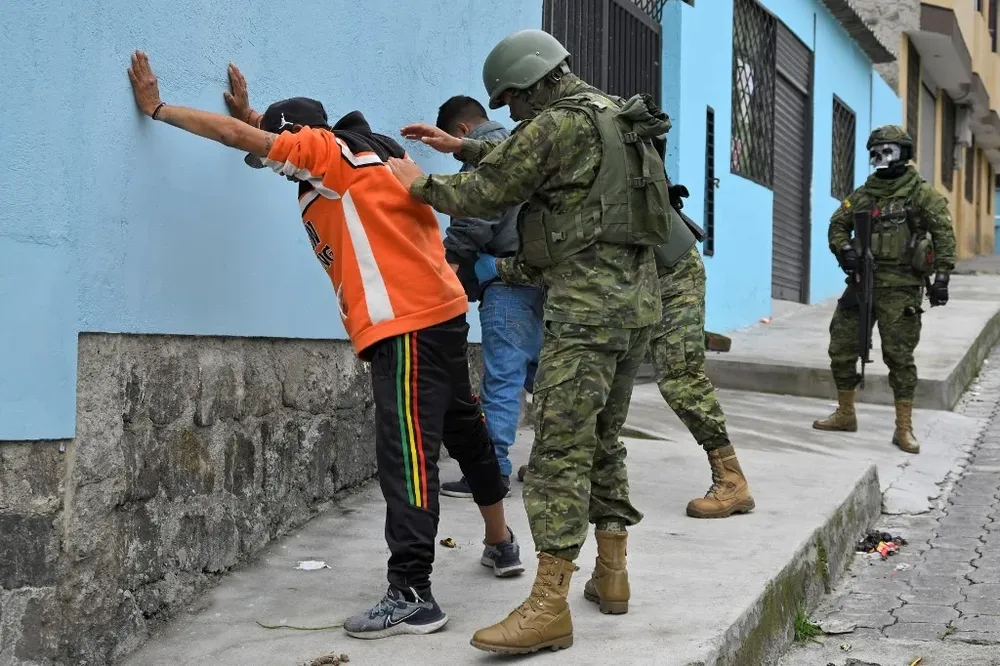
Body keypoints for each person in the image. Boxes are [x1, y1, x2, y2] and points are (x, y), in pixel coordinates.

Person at [126, 51, 523, 641]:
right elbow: (273, 145)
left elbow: (251, 141)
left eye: (272, 147)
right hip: (441, 312)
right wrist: (257, 116)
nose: (267, 159)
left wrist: (158, 108)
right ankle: (500, 543)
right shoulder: (372, 150)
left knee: (409, 457)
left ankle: (413, 594)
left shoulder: (322, 155)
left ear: (297, 139)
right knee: (465, 431)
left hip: (404, 323)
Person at [386, 29, 672, 654]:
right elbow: (531, 161)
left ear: (537, 80)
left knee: (558, 457)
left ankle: (548, 606)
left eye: (514, 98)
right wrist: (462, 145)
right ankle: (612, 573)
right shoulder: (613, 116)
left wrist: (418, 181)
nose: (513, 110)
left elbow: (487, 193)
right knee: (603, 441)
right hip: (637, 307)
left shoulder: (555, 123)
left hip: (585, 311)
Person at [812, 125, 956, 454]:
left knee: (899, 357)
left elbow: (944, 235)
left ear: (903, 154)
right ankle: (846, 413)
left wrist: (943, 278)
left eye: (887, 151)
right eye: (875, 153)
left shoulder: (922, 194)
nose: (880, 158)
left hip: (902, 288)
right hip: (862, 284)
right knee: (842, 348)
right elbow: (837, 223)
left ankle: (903, 428)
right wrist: (844, 250)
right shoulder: (865, 194)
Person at [433, 95, 543, 499]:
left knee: (503, 376)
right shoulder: (521, 143)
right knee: (541, 374)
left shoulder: (485, 153)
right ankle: (555, 460)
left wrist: (452, 261)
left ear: (461, 131)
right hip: (539, 277)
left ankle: (492, 469)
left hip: (504, 279)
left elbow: (477, 213)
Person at [649, 206, 755, 518]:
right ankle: (570, 464)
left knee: (680, 376)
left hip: (670, 273)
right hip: (626, 274)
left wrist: (503, 268)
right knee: (597, 367)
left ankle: (732, 480)